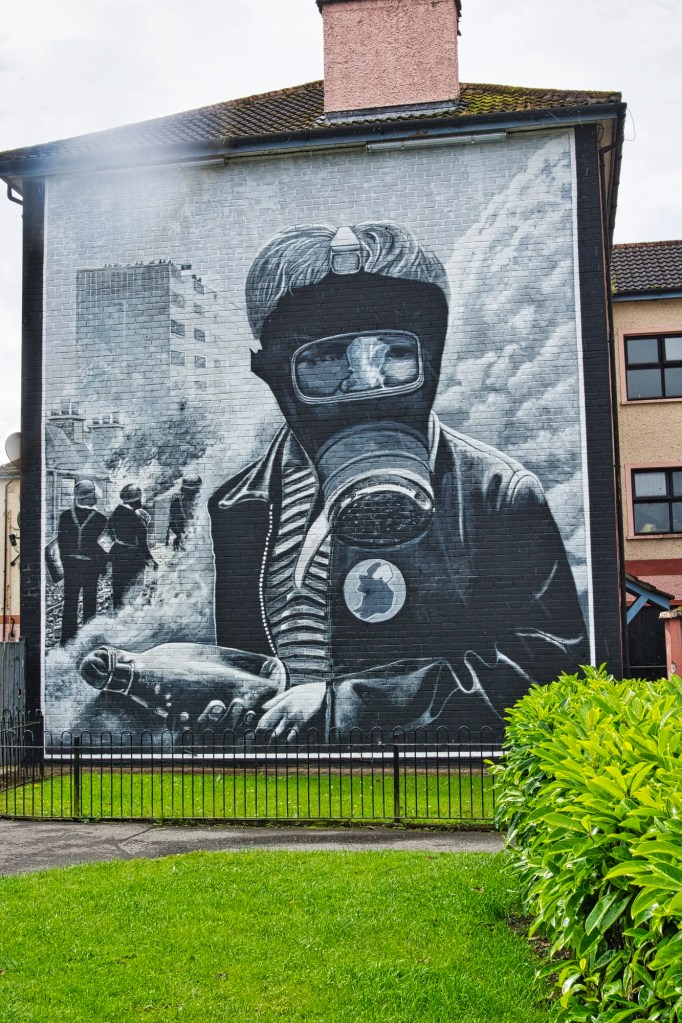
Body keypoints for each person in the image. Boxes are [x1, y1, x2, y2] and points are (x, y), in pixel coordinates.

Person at [81, 222, 589, 739]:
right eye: (326, 359)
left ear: (431, 357)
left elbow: (552, 666)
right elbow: (253, 670)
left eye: (395, 353)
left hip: (413, 777)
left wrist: (350, 707)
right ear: (273, 373)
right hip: (287, 779)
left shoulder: (496, 494)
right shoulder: (239, 507)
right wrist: (231, 705)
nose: (366, 385)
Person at [57, 480, 107, 645]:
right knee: (89, 602)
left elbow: (61, 545)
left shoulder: (65, 517)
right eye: (93, 495)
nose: (95, 498)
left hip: (71, 566)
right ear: (89, 497)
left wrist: (66, 565)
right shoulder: (100, 519)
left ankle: (66, 640)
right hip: (91, 567)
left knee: (70, 603)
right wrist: (102, 567)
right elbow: (103, 548)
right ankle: (87, 639)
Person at [104, 484, 157, 609]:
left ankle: (117, 610)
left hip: (118, 553)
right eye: (139, 499)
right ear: (134, 501)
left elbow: (109, 533)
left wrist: (120, 541)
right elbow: (142, 546)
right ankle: (129, 612)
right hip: (134, 557)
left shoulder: (116, 513)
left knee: (119, 585)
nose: (141, 502)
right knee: (133, 588)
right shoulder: (137, 520)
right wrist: (151, 560)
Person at [166, 475, 202, 551]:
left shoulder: (200, 498)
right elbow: (174, 519)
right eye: (191, 492)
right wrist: (180, 535)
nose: (194, 495)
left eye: (196, 491)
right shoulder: (177, 499)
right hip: (184, 533)